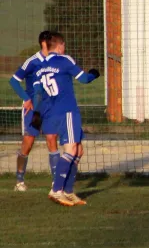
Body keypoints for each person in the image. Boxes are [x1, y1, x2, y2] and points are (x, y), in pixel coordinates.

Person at [32, 32, 100, 206]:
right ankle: (57, 190)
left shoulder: (40, 68)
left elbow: (38, 94)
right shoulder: (64, 60)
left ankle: (68, 192)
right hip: (67, 111)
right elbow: (84, 79)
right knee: (70, 150)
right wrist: (94, 74)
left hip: (51, 112)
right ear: (60, 45)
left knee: (78, 151)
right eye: (64, 45)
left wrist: (38, 114)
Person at [8, 31, 59, 192]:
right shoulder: (32, 62)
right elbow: (14, 81)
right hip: (33, 109)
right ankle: (19, 180)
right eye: (52, 42)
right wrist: (26, 98)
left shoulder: (56, 61)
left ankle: (56, 182)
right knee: (28, 144)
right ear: (44, 43)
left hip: (50, 108)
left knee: (52, 140)